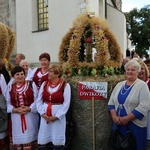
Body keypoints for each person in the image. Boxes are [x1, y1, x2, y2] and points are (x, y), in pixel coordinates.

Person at [108, 59, 150, 150]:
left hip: (135, 126)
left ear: (137, 72)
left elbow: (144, 105)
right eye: (128, 69)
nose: (130, 72)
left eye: (133, 70)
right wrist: (114, 116)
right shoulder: (119, 85)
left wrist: (127, 118)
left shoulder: (142, 85)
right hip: (119, 125)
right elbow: (111, 102)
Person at [36, 64, 71, 150]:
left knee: (57, 139)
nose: (48, 73)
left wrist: (56, 116)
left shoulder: (65, 86)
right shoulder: (44, 84)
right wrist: (42, 114)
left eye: (50, 71)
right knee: (44, 139)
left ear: (57, 74)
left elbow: (66, 104)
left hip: (58, 118)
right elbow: (39, 100)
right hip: (45, 117)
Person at [6, 66, 39, 150]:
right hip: (16, 118)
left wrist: (29, 108)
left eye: (22, 74)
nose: (20, 76)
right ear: (13, 76)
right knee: (19, 140)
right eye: (17, 74)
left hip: (30, 116)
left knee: (30, 139)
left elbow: (37, 100)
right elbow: (8, 103)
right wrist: (14, 110)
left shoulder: (31, 84)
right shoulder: (10, 87)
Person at [136, 60, 150, 149]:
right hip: (136, 115)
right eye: (138, 69)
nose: (140, 71)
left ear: (146, 70)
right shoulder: (134, 84)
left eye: (142, 69)